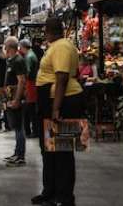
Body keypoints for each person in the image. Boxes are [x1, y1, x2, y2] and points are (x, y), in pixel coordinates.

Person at [32, 17, 85, 206]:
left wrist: (56, 108)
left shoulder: (62, 46)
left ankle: (64, 197)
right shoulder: (56, 46)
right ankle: (50, 192)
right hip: (51, 100)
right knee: (49, 150)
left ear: (48, 31)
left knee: (62, 152)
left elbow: (62, 77)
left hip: (64, 102)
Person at [3, 36, 28, 167]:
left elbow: (22, 81)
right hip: (11, 97)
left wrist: (17, 99)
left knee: (19, 127)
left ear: (9, 47)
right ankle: (17, 153)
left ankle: (20, 156)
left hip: (17, 98)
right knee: (16, 126)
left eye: (5, 46)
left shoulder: (18, 60)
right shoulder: (11, 60)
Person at [19, 38, 39, 138]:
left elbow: (27, 72)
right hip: (33, 83)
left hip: (30, 84)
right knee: (31, 109)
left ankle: (34, 131)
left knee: (29, 109)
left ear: (22, 47)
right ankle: (34, 130)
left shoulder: (28, 57)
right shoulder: (32, 54)